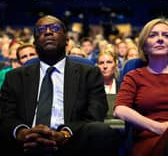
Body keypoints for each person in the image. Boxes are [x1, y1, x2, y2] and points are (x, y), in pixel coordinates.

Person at [0, 15, 121, 156]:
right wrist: (22, 133)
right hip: (25, 142)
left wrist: (64, 134)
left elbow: (95, 113)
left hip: (72, 141)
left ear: (67, 41)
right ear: (35, 43)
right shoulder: (15, 77)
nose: (48, 32)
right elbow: (6, 116)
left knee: (101, 132)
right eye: (41, 30)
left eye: (55, 28)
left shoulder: (89, 73)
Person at [113, 18, 168, 156]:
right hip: (149, 139)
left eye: (166, 35)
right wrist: (159, 128)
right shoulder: (134, 76)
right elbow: (120, 110)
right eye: (153, 35)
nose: (160, 39)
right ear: (144, 45)